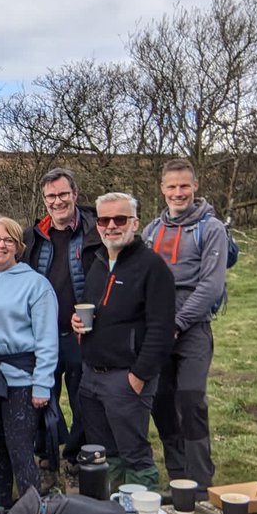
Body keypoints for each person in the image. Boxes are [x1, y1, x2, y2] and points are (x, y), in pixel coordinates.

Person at [73, 192, 176, 488]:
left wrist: (139, 376)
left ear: (135, 223)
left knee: (135, 454)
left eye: (120, 219)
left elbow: (161, 329)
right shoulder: (98, 262)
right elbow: (90, 305)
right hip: (91, 376)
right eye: (104, 220)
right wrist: (77, 322)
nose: (111, 226)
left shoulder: (152, 267)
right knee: (106, 453)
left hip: (126, 377)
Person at [141, 159, 224, 492]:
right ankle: (178, 474)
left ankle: (200, 481)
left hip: (193, 329)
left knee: (190, 399)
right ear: (162, 189)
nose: (178, 193)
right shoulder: (150, 231)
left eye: (184, 186)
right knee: (160, 400)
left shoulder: (212, 228)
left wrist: (177, 322)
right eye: (172, 187)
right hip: (158, 330)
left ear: (195, 186)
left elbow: (211, 286)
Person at [21, 167, 102, 479]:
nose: (57, 201)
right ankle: (47, 456)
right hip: (44, 335)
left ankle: (75, 456)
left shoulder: (94, 232)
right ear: (44, 200)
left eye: (63, 194)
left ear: (75, 195)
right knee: (42, 399)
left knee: (84, 400)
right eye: (51, 196)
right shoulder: (33, 237)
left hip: (82, 334)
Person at [0, 217, 58, 513]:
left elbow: (47, 338)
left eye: (8, 240)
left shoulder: (36, 284)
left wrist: (42, 383)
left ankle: (34, 513)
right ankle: (2, 509)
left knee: (20, 449)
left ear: (18, 247)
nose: (1, 245)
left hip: (21, 379)